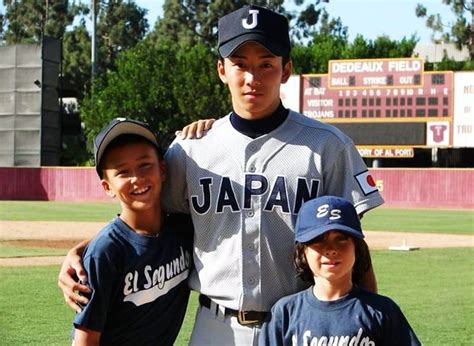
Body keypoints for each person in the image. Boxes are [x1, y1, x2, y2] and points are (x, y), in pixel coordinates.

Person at [59, 5, 384, 345]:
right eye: (239, 64)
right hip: (216, 327)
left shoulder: (328, 146)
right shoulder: (190, 150)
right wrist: (84, 251)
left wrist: (370, 327)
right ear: (221, 69)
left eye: (266, 65)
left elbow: (352, 245)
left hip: (301, 320)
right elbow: (147, 221)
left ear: (286, 69)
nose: (252, 78)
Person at [70, 118, 193, 345]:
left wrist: (211, 126)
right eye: (122, 172)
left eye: (145, 164)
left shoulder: (183, 230)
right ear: (107, 187)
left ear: (163, 169)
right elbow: (85, 340)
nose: (136, 178)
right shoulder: (105, 252)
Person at [259, 196, 421, 345]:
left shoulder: (382, 311)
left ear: (357, 248)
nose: (330, 249)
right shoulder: (285, 313)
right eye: (317, 240)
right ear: (303, 252)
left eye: (341, 239)